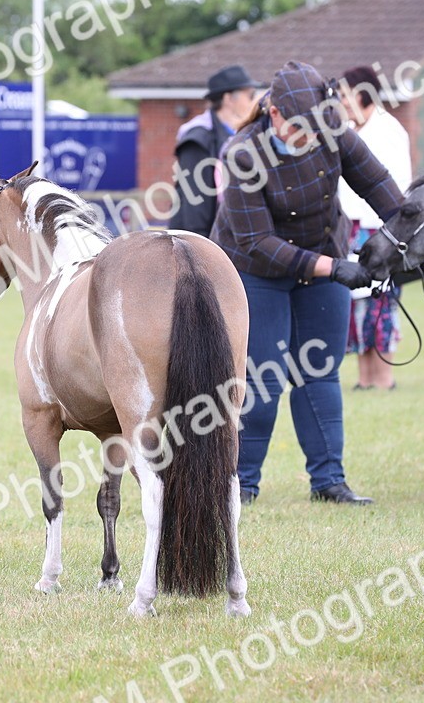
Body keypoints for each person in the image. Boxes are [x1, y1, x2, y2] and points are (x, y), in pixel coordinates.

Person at [210, 60, 403, 506]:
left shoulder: (331, 127)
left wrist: (403, 231)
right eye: (301, 130)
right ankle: (242, 485)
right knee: (263, 378)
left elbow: (376, 182)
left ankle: (329, 481)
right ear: (275, 113)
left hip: (322, 253)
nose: (311, 138)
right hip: (256, 270)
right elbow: (258, 242)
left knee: (320, 370)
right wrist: (333, 268)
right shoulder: (242, 154)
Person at [337, 65, 413, 392]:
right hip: (350, 229)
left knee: (381, 301)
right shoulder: (347, 129)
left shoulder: (388, 130)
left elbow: (398, 186)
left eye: (344, 95)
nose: (340, 101)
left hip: (379, 230)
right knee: (357, 303)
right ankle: (364, 377)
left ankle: (384, 378)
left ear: (361, 94)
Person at [167, 65, 265, 237]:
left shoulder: (239, 135)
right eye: (250, 95)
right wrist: (202, 249)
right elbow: (195, 206)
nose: (254, 102)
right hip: (199, 242)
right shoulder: (198, 139)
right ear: (229, 98)